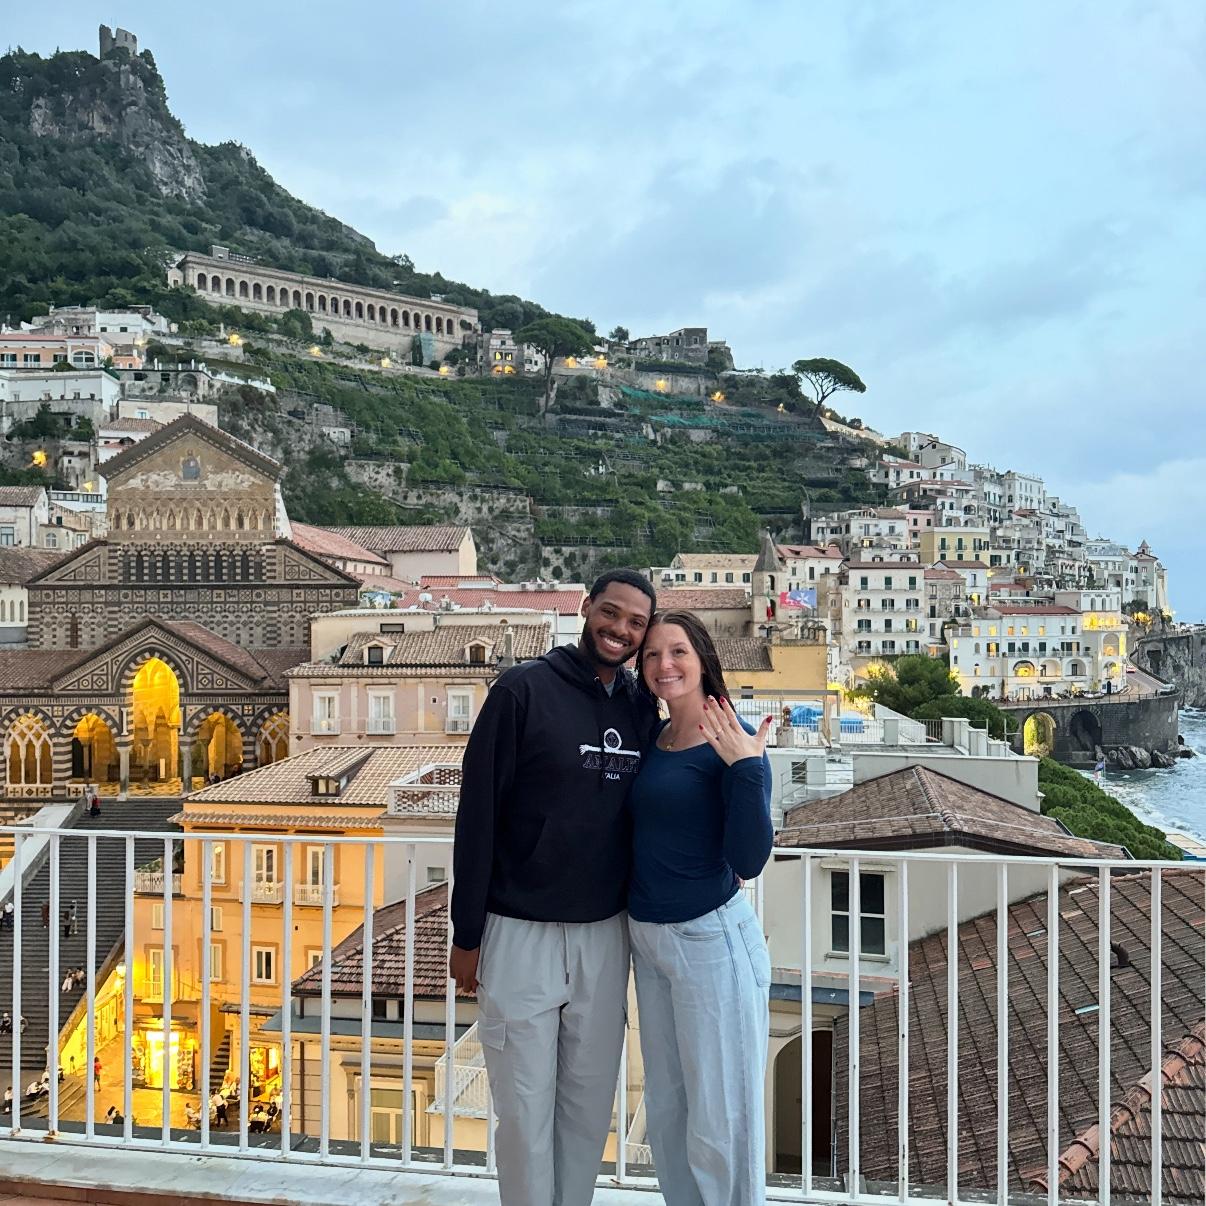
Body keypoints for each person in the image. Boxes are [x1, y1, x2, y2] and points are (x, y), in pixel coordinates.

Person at [450, 568, 659, 1206]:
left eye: (636, 622)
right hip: (520, 934)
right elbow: (477, 813)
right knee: (522, 1110)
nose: (620, 630)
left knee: (587, 1108)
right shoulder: (521, 691)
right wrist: (468, 932)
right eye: (611, 612)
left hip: (604, 934)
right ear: (584, 607)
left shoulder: (638, 707)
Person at [627, 609, 774, 1205]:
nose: (665, 665)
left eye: (678, 652)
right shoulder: (654, 737)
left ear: (703, 660)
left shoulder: (732, 740)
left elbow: (750, 857)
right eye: (653, 654)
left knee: (722, 1117)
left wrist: (748, 768)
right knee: (669, 1108)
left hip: (710, 941)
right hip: (650, 940)